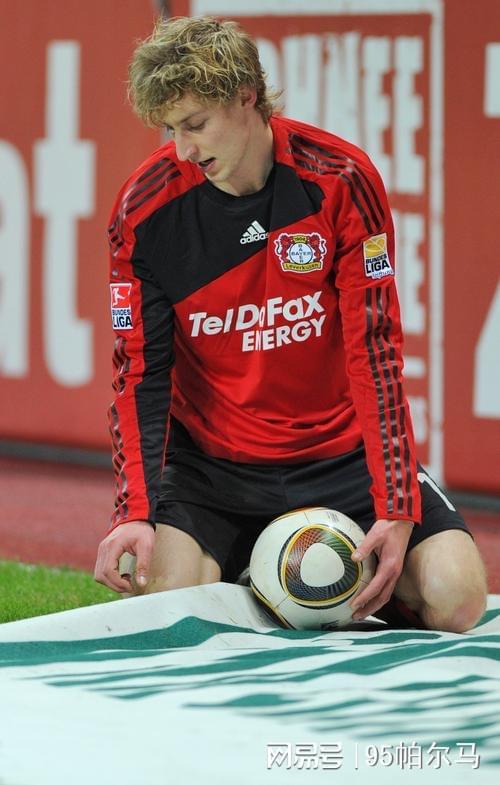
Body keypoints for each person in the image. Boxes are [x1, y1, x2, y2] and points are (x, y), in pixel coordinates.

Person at [94, 15, 487, 632]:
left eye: (195, 124)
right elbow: (139, 372)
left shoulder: (341, 179)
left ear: (246, 95)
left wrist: (395, 503)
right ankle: (258, 572)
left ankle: (289, 579)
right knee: (157, 605)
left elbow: (375, 347)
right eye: (172, 130)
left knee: (457, 599)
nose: (184, 150)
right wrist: (134, 513)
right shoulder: (144, 212)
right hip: (213, 469)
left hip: (343, 457)